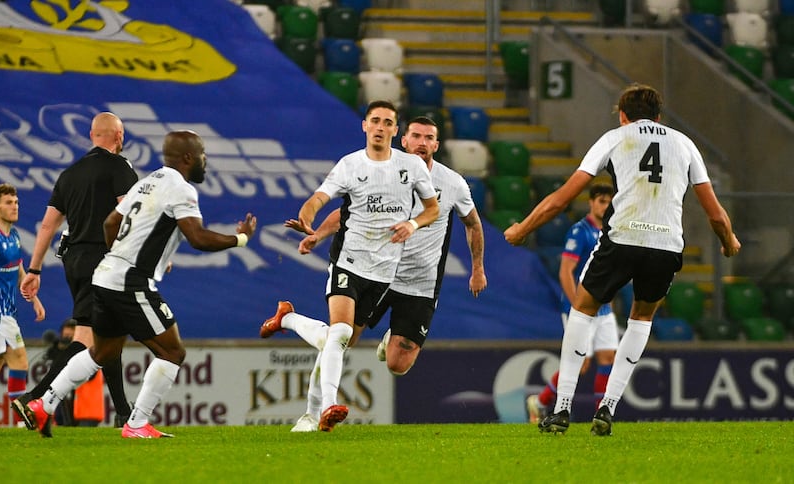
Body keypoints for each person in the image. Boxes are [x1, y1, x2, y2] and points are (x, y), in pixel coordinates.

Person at [504, 83, 740, 436]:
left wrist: (522, 229)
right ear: (659, 117)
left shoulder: (615, 137)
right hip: (666, 245)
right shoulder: (685, 144)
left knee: (583, 308)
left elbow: (562, 198)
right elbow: (716, 215)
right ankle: (608, 408)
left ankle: (563, 407)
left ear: (622, 114)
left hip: (623, 237)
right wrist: (729, 242)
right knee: (642, 318)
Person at [17, 130, 257, 438]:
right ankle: (137, 423)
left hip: (104, 275)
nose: (205, 161)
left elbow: (110, 223)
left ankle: (43, 404)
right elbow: (198, 238)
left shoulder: (146, 181)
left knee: (101, 353)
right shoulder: (180, 189)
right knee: (173, 353)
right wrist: (241, 239)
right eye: (202, 155)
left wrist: (117, 255)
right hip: (130, 282)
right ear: (187, 158)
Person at [263, 116, 487, 432]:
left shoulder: (453, 183)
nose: (422, 143)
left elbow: (473, 224)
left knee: (398, 365)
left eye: (429, 138)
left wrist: (477, 268)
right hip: (378, 272)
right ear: (404, 141)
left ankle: (291, 321)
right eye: (416, 136)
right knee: (340, 339)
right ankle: (311, 413)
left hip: (420, 284)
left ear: (436, 145)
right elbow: (347, 214)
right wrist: (318, 236)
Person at [13, 112, 137, 427]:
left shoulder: (69, 174)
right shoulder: (120, 168)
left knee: (109, 332)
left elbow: (47, 226)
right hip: (104, 260)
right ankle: (34, 399)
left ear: (92, 135)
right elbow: (131, 216)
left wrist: (35, 270)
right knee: (86, 339)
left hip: (74, 261)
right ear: (118, 136)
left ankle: (124, 413)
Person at [526, 183, 618, 424]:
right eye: (601, 201)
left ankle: (601, 415)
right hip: (581, 307)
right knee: (582, 362)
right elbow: (566, 272)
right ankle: (541, 401)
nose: (605, 206)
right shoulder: (580, 232)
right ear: (591, 202)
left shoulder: (612, 232)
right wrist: (577, 303)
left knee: (608, 357)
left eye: (609, 202)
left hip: (604, 308)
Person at [0, 184, 46, 423]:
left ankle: (21, 415)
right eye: (8, 203)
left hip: (8, 312)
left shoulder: (13, 236)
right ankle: (24, 417)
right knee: (20, 360)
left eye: (15, 202)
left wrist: (33, 298)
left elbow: (18, 271)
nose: (14, 206)